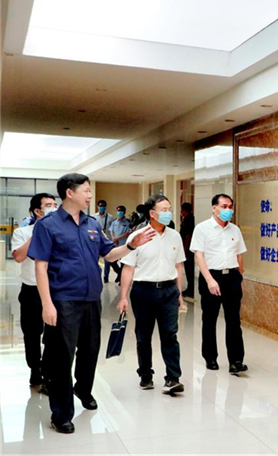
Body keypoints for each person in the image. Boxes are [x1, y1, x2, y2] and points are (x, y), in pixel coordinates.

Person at [28, 173, 155, 434]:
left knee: (90, 351)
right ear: (69, 192)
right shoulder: (48, 225)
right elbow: (41, 267)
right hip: (63, 300)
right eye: (85, 190)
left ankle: (83, 389)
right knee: (62, 357)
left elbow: (110, 254)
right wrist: (47, 304)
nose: (90, 195)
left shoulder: (92, 224)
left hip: (91, 299)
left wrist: (131, 246)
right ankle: (61, 414)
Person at [117, 195, 186, 394]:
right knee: (143, 336)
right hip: (143, 291)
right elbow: (128, 268)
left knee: (170, 335)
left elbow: (178, 266)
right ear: (152, 213)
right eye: (164, 209)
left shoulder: (175, 236)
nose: (168, 213)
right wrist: (123, 296)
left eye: (169, 209)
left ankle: (173, 378)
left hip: (168, 291)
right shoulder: (137, 237)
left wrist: (179, 292)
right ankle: (145, 374)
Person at [190, 194, 248, 374]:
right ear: (214, 208)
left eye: (230, 206)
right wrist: (209, 280)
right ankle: (210, 357)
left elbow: (239, 255)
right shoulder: (202, 229)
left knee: (234, 320)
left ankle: (236, 360)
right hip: (211, 276)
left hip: (231, 277)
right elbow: (199, 256)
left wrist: (240, 278)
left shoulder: (235, 230)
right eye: (224, 206)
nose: (228, 210)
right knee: (209, 319)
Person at [11, 193, 58, 393]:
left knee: (53, 335)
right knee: (32, 334)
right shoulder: (22, 232)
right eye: (48, 205)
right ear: (37, 211)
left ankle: (48, 373)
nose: (54, 208)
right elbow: (18, 257)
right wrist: (38, 232)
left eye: (55, 205)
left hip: (55, 291)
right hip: (31, 291)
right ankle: (34, 369)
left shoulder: (60, 232)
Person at [92, 200, 115, 283]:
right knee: (95, 259)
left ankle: (106, 276)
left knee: (107, 260)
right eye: (100, 206)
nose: (102, 207)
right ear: (97, 206)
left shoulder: (110, 217)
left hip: (107, 240)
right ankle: (96, 276)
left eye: (103, 206)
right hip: (96, 240)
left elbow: (112, 229)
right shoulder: (93, 217)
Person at [109, 205, 133, 284]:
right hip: (115, 246)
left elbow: (127, 234)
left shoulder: (128, 223)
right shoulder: (114, 222)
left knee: (123, 263)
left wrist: (116, 239)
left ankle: (121, 280)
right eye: (118, 211)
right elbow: (111, 231)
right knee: (112, 261)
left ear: (124, 212)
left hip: (123, 246)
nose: (120, 212)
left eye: (121, 211)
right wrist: (113, 238)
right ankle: (119, 274)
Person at [179, 203, 195, 299]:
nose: (181, 212)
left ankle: (191, 289)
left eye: (182, 210)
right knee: (188, 270)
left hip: (188, 249)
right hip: (186, 248)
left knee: (189, 270)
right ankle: (190, 288)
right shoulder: (186, 219)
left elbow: (188, 236)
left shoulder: (189, 219)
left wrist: (184, 250)